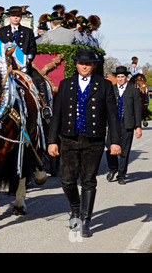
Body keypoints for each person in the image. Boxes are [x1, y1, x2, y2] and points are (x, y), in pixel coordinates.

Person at [48, 49, 121, 238]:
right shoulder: (65, 85)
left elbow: (112, 116)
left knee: (88, 180)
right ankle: (75, 208)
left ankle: (85, 221)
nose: (84, 66)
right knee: (66, 180)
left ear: (93, 65)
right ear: (76, 64)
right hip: (69, 139)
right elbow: (57, 115)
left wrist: (114, 141)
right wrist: (52, 141)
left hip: (94, 140)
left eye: (88, 63)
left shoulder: (104, 85)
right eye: (81, 62)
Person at [0, 5, 52, 118]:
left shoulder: (28, 32)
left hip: (24, 67)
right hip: (6, 68)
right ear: (9, 17)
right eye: (13, 16)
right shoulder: (1, 32)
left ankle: (45, 107)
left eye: (18, 16)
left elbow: (32, 48)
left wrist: (28, 59)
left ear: (21, 17)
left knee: (40, 80)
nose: (15, 18)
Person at [106, 66, 142, 185]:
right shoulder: (111, 89)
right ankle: (113, 168)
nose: (120, 79)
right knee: (109, 148)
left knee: (125, 151)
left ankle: (121, 175)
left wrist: (138, 127)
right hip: (113, 124)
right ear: (116, 78)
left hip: (127, 124)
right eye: (118, 77)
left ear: (126, 78)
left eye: (122, 77)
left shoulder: (134, 91)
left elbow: (137, 110)